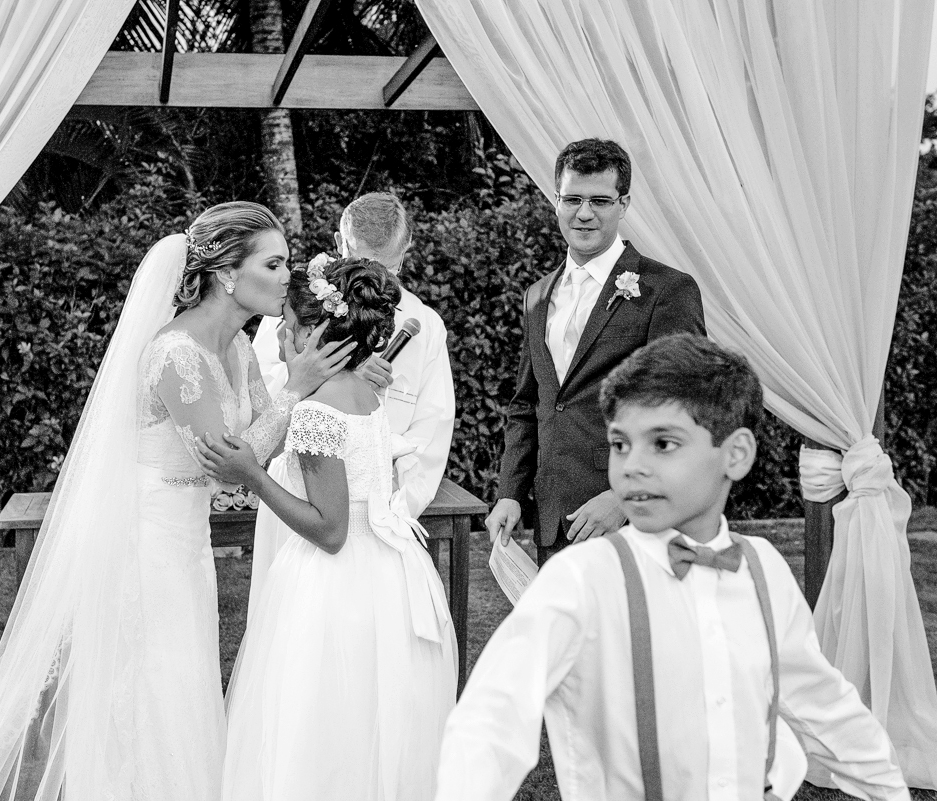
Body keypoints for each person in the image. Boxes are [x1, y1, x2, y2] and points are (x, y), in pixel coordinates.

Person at [0, 202, 353, 801]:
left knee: (184, 684)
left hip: (187, 548)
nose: (289, 276)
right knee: (154, 686)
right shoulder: (176, 352)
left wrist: (334, 385)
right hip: (145, 548)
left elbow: (266, 441)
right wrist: (300, 389)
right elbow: (228, 470)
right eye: (275, 263)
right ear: (228, 274)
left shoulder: (235, 351)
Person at [434, 334, 910, 801]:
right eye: (620, 444)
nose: (631, 467)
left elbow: (826, 707)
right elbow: (490, 724)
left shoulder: (764, 570)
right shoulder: (583, 580)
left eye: (662, 443)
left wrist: (889, 790)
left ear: (736, 454)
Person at [197, 257, 457, 801]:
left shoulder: (318, 411)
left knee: (324, 731)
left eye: (286, 321)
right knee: (373, 729)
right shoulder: (364, 394)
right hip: (388, 575)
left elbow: (330, 529)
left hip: (337, 587)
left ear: (311, 332)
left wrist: (253, 477)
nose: (280, 333)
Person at [485, 138, 705, 564]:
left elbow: (690, 411)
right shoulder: (537, 295)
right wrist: (510, 494)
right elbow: (528, 405)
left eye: (600, 200)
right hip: (555, 524)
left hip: (637, 525)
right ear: (556, 200)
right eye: (573, 199)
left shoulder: (667, 291)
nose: (584, 213)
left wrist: (626, 500)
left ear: (623, 204)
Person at [249, 192, 455, 610]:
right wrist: (339, 379)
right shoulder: (294, 310)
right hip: (301, 499)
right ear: (341, 245)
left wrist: (396, 508)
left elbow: (433, 425)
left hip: (386, 512)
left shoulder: (425, 325)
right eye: (364, 259)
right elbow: (262, 409)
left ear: (407, 251)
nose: (376, 274)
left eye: (389, 265)